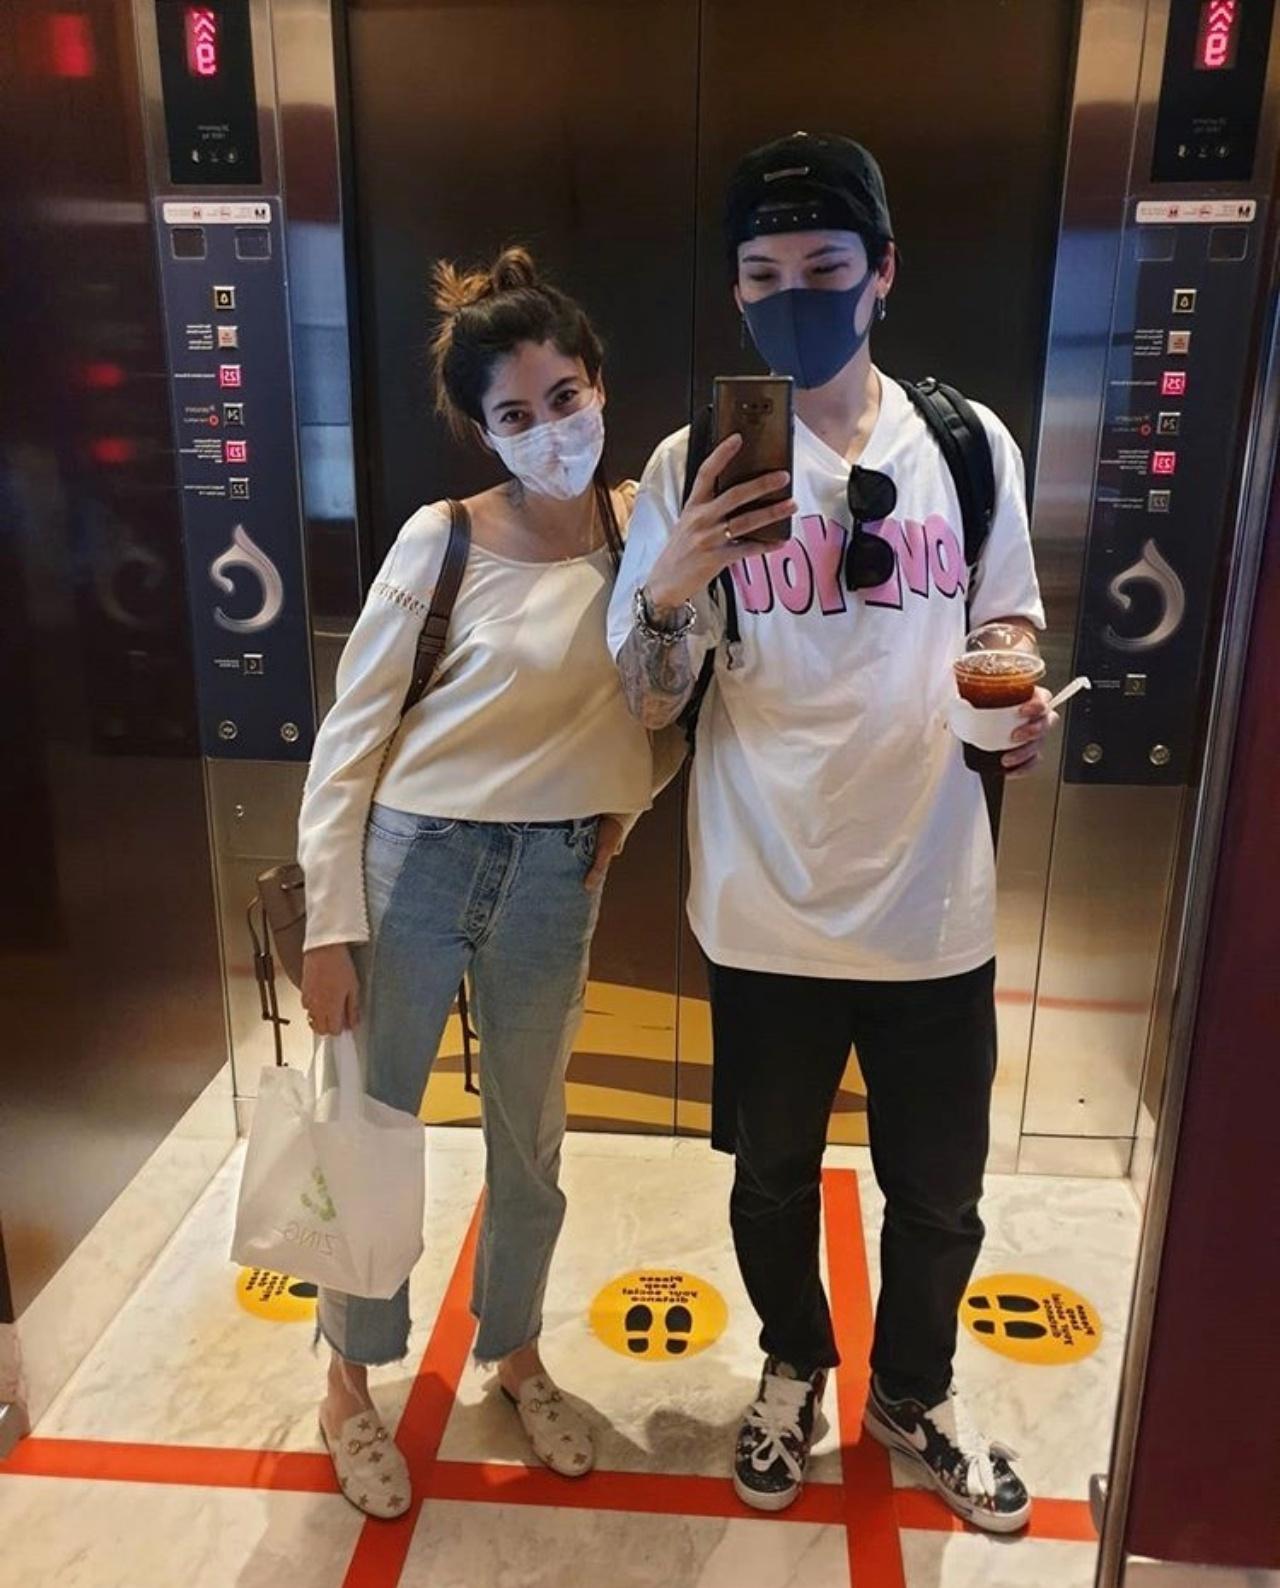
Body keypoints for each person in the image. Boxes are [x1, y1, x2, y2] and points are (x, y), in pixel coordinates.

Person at [608, 132, 1055, 1532]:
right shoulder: (690, 463)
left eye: (821, 266)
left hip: (933, 900)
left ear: (882, 273)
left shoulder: (965, 446)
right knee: (771, 1179)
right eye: (761, 274)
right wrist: (674, 577)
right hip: (763, 902)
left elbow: (1007, 617)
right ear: (734, 292)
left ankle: (912, 1391)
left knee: (941, 1197)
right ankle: (793, 1366)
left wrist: (1015, 696)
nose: (791, 296)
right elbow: (645, 696)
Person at [298, 247, 654, 1518]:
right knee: (372, 1129)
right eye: (516, 414)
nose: (549, 428)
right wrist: (327, 924)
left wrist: (624, 803)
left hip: (555, 873)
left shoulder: (642, 532)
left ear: (596, 383)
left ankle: (516, 1350)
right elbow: (350, 737)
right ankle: (347, 1380)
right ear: (483, 430)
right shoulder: (440, 539)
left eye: (564, 397)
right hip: (415, 859)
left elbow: (674, 703)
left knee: (531, 1137)